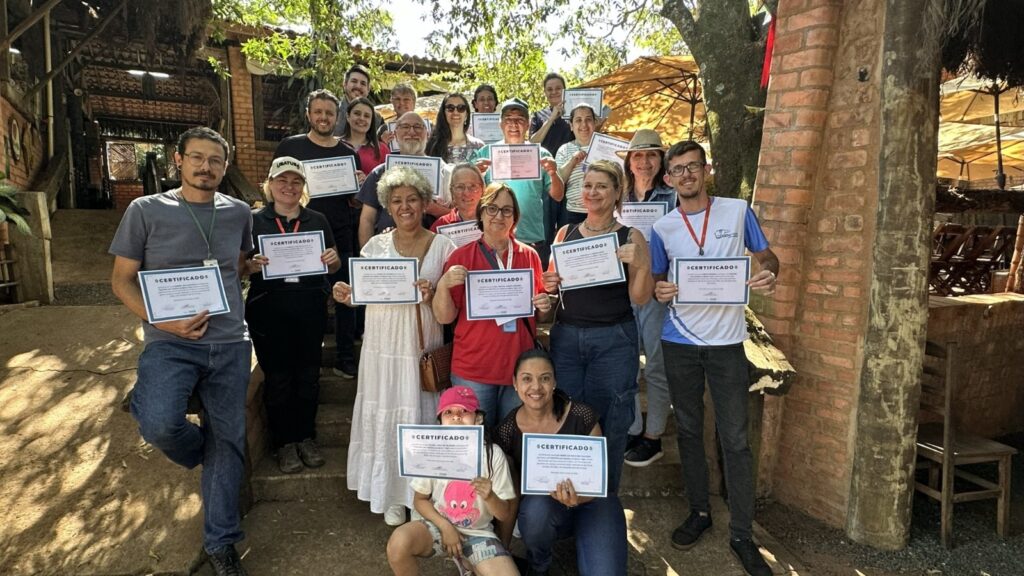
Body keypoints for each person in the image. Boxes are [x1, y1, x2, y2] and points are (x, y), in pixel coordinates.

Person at [109, 127, 254, 576]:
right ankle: (206, 454)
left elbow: (238, 265)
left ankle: (221, 544)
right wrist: (159, 320)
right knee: (159, 423)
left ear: (224, 167)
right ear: (178, 160)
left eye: (215, 160)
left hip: (230, 342)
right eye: (197, 157)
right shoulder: (145, 210)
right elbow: (121, 280)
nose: (205, 166)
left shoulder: (239, 212)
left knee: (230, 440)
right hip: (170, 343)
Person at [650, 140, 778, 576]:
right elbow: (657, 281)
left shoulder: (737, 210)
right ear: (668, 178)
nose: (686, 175)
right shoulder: (663, 228)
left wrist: (769, 273)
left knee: (735, 439)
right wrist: (660, 289)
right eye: (677, 170)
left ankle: (743, 534)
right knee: (688, 429)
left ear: (706, 170)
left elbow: (767, 256)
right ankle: (700, 512)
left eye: (693, 167)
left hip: (726, 344)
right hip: (680, 342)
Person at [332, 166, 457, 526]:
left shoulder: (444, 246)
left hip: (418, 348)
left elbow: (451, 306)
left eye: (412, 199)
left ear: (424, 203)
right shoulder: (375, 244)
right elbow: (363, 293)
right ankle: (390, 494)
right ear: (388, 205)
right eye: (397, 200)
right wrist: (347, 295)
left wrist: (434, 292)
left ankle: (418, 495)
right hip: (380, 347)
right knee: (384, 412)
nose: (405, 207)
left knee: (417, 414)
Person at [542, 160, 652, 494]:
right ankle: (569, 497)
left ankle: (605, 502)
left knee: (613, 423)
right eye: (588, 186)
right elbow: (551, 288)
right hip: (567, 338)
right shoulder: (566, 233)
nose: (593, 192)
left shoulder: (630, 236)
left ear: (618, 192)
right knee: (567, 420)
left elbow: (641, 297)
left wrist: (643, 264)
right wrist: (549, 282)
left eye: (602, 186)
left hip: (614, 339)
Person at [245, 157, 340, 473]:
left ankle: (306, 437)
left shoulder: (317, 220)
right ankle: (284, 443)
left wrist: (332, 259)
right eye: (282, 181)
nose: (289, 187)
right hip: (268, 309)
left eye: (295, 181)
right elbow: (239, 266)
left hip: (309, 308)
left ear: (303, 187)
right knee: (279, 378)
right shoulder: (253, 221)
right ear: (270, 184)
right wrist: (250, 265)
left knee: (308, 376)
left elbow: (335, 264)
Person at [496, 349, 627, 576]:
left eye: (544, 378)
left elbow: (599, 482)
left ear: (554, 382)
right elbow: (510, 493)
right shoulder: (508, 430)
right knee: (536, 510)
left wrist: (579, 498)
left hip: (592, 503)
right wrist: (501, 549)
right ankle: (539, 565)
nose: (536, 387)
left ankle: (591, 539)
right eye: (527, 379)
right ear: (515, 383)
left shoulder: (582, 416)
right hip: (544, 509)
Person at [433, 183, 552, 430]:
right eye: (492, 208)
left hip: (519, 371)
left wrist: (544, 304)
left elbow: (538, 316)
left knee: (511, 443)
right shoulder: (461, 257)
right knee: (476, 446)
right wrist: (443, 285)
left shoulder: (529, 255)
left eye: (507, 210)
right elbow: (444, 317)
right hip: (473, 369)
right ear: (481, 213)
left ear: (515, 217)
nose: (499, 216)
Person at [274, 89, 362, 380]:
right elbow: (276, 186)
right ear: (309, 114)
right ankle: (303, 356)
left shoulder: (347, 153)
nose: (323, 117)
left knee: (346, 296)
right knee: (302, 295)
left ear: (337, 117)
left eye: (329, 113)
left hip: (340, 232)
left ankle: (345, 358)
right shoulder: (290, 146)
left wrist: (359, 185)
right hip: (299, 234)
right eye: (318, 112)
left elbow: (354, 200)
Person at [386, 386, 519, 576]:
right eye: (448, 412)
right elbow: (420, 500)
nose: (456, 417)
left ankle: (469, 563)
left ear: (478, 418)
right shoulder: (433, 451)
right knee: (398, 544)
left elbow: (504, 514)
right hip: (437, 526)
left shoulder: (492, 454)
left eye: (464, 411)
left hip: (479, 534)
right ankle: (468, 563)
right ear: (440, 421)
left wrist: (490, 496)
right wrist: (446, 527)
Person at [616, 129, 677, 468]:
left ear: (661, 160)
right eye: (638, 156)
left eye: (652, 155)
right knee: (626, 360)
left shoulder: (672, 196)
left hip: (656, 290)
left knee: (654, 363)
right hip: (624, 289)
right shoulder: (620, 195)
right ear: (629, 161)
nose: (644, 162)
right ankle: (633, 426)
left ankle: (653, 436)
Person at [470, 98, 564, 264]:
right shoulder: (485, 153)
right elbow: (470, 197)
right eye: (508, 119)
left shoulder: (541, 154)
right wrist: (476, 176)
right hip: (493, 237)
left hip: (531, 237)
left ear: (528, 125)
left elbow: (558, 195)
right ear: (500, 124)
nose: (514, 124)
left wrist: (554, 174)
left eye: (520, 119)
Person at [357, 112, 453, 247]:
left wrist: (434, 209)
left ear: (428, 134)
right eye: (405, 127)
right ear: (395, 135)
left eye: (418, 127)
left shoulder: (445, 172)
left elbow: (458, 216)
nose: (412, 132)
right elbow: (367, 219)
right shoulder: (380, 172)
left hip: (432, 250)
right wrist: (367, 257)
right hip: (388, 254)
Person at [530, 73, 576, 242]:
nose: (554, 92)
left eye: (558, 88)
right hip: (546, 181)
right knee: (546, 231)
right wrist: (551, 118)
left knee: (566, 230)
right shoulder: (538, 116)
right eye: (549, 89)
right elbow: (532, 143)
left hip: (569, 178)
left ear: (565, 91)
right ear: (545, 92)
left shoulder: (574, 116)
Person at [554, 103, 599, 226]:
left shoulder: (604, 147)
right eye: (578, 120)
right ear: (571, 126)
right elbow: (559, 181)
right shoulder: (564, 149)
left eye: (588, 119)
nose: (584, 124)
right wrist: (573, 161)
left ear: (595, 123)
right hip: (573, 214)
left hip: (603, 211)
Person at [425, 93, 485, 163]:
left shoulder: (479, 146)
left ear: (466, 114)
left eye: (461, 108)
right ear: (444, 114)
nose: (455, 112)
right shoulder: (432, 145)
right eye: (450, 108)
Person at [429, 163, 485, 232]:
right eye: (460, 187)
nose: (467, 193)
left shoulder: (493, 221)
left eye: (473, 186)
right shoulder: (441, 225)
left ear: (482, 189)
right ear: (451, 191)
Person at [342, 96, 390, 173]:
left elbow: (389, 182)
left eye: (367, 116)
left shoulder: (382, 149)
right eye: (357, 113)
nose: (362, 118)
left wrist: (368, 181)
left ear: (371, 121)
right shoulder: (335, 145)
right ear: (348, 116)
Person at [333, 64, 382, 136]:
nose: (358, 86)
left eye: (363, 83)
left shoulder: (377, 118)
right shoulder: (332, 112)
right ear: (345, 84)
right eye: (354, 81)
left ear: (368, 89)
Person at [381, 83, 431, 150]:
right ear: (392, 102)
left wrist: (431, 142)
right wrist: (382, 143)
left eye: (406, 99)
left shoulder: (429, 127)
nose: (401, 103)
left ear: (414, 102)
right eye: (397, 99)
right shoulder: (384, 129)